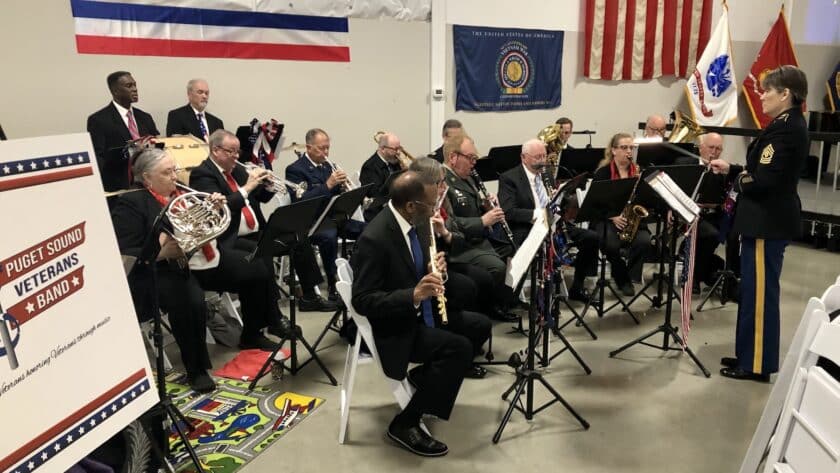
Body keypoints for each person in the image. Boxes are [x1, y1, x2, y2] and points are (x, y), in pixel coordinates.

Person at [112, 148, 279, 392]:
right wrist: (160, 253)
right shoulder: (132, 202)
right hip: (167, 268)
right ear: (146, 178)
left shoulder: (183, 192)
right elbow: (126, 250)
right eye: (167, 172)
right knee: (190, 300)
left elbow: (212, 229)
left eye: (175, 170)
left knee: (256, 268)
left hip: (203, 258)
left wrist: (215, 207)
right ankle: (196, 369)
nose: (175, 176)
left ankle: (252, 333)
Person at [351, 171, 473, 457]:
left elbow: (412, 267)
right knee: (459, 349)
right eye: (431, 205)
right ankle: (405, 424)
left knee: (477, 326)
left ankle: (427, 379)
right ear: (411, 206)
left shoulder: (413, 221)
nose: (434, 211)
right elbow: (362, 301)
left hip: (416, 314)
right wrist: (413, 295)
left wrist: (435, 268)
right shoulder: (376, 238)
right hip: (393, 327)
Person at [710, 65, 809, 382]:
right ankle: (747, 354)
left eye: (768, 90)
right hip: (762, 220)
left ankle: (756, 364)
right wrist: (733, 168)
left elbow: (765, 181)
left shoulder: (788, 128)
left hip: (768, 222)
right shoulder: (782, 125)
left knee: (761, 296)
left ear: (785, 94)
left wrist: (737, 179)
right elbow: (762, 172)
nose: (762, 95)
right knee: (751, 292)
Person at [189, 130, 337, 312]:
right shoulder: (202, 175)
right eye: (231, 151)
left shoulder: (237, 171)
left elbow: (262, 198)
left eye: (238, 152)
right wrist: (249, 185)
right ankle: (272, 312)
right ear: (216, 150)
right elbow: (224, 207)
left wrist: (268, 185)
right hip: (231, 237)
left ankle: (309, 296)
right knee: (261, 253)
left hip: (257, 230)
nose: (236, 156)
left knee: (298, 237)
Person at [499, 139, 599, 303]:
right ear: (524, 157)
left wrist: (560, 197)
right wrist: (539, 213)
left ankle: (577, 287)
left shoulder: (546, 174)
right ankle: (518, 298)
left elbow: (557, 204)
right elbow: (509, 212)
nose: (542, 161)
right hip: (527, 228)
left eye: (544, 156)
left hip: (554, 225)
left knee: (591, 238)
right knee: (535, 249)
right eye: (537, 157)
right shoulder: (509, 178)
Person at [442, 133, 517, 321]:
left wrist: (485, 204)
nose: (474, 163)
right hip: (461, 244)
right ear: (453, 157)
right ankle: (486, 307)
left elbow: (472, 206)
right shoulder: (443, 183)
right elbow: (450, 223)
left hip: (478, 238)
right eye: (471, 158)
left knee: (512, 248)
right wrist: (483, 221)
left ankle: (501, 300)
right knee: (497, 267)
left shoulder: (466, 177)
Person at [286, 128, 365, 300]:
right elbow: (301, 201)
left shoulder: (328, 166)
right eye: (321, 148)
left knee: (367, 230)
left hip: (332, 217)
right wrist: (328, 185)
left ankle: (355, 273)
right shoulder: (295, 170)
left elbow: (336, 197)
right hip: (311, 222)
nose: (326, 152)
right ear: (308, 147)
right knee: (329, 237)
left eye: (328, 148)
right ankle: (333, 283)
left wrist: (344, 188)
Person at [591, 133, 653, 297]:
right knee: (611, 245)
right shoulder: (602, 174)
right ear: (613, 150)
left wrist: (642, 186)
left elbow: (647, 201)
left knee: (645, 242)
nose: (628, 151)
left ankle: (630, 276)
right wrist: (612, 217)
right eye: (624, 147)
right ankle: (622, 278)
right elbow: (594, 203)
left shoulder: (638, 173)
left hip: (632, 219)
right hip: (607, 219)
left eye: (631, 147)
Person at [87, 71, 159, 192]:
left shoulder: (145, 117)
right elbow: (99, 158)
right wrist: (129, 151)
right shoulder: (99, 120)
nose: (135, 89)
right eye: (129, 86)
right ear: (115, 91)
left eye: (135, 85)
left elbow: (158, 147)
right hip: (120, 185)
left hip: (151, 181)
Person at [360, 132, 404, 222]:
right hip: (378, 213)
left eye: (399, 148)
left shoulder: (394, 162)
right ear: (383, 149)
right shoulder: (369, 167)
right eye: (395, 149)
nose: (398, 153)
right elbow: (375, 195)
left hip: (393, 207)